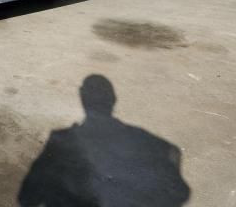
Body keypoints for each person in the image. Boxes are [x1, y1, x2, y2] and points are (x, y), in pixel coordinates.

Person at [18, 75, 190, 207]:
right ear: (114, 100)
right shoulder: (142, 139)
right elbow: (180, 190)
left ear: (82, 98)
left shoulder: (61, 140)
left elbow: (26, 197)